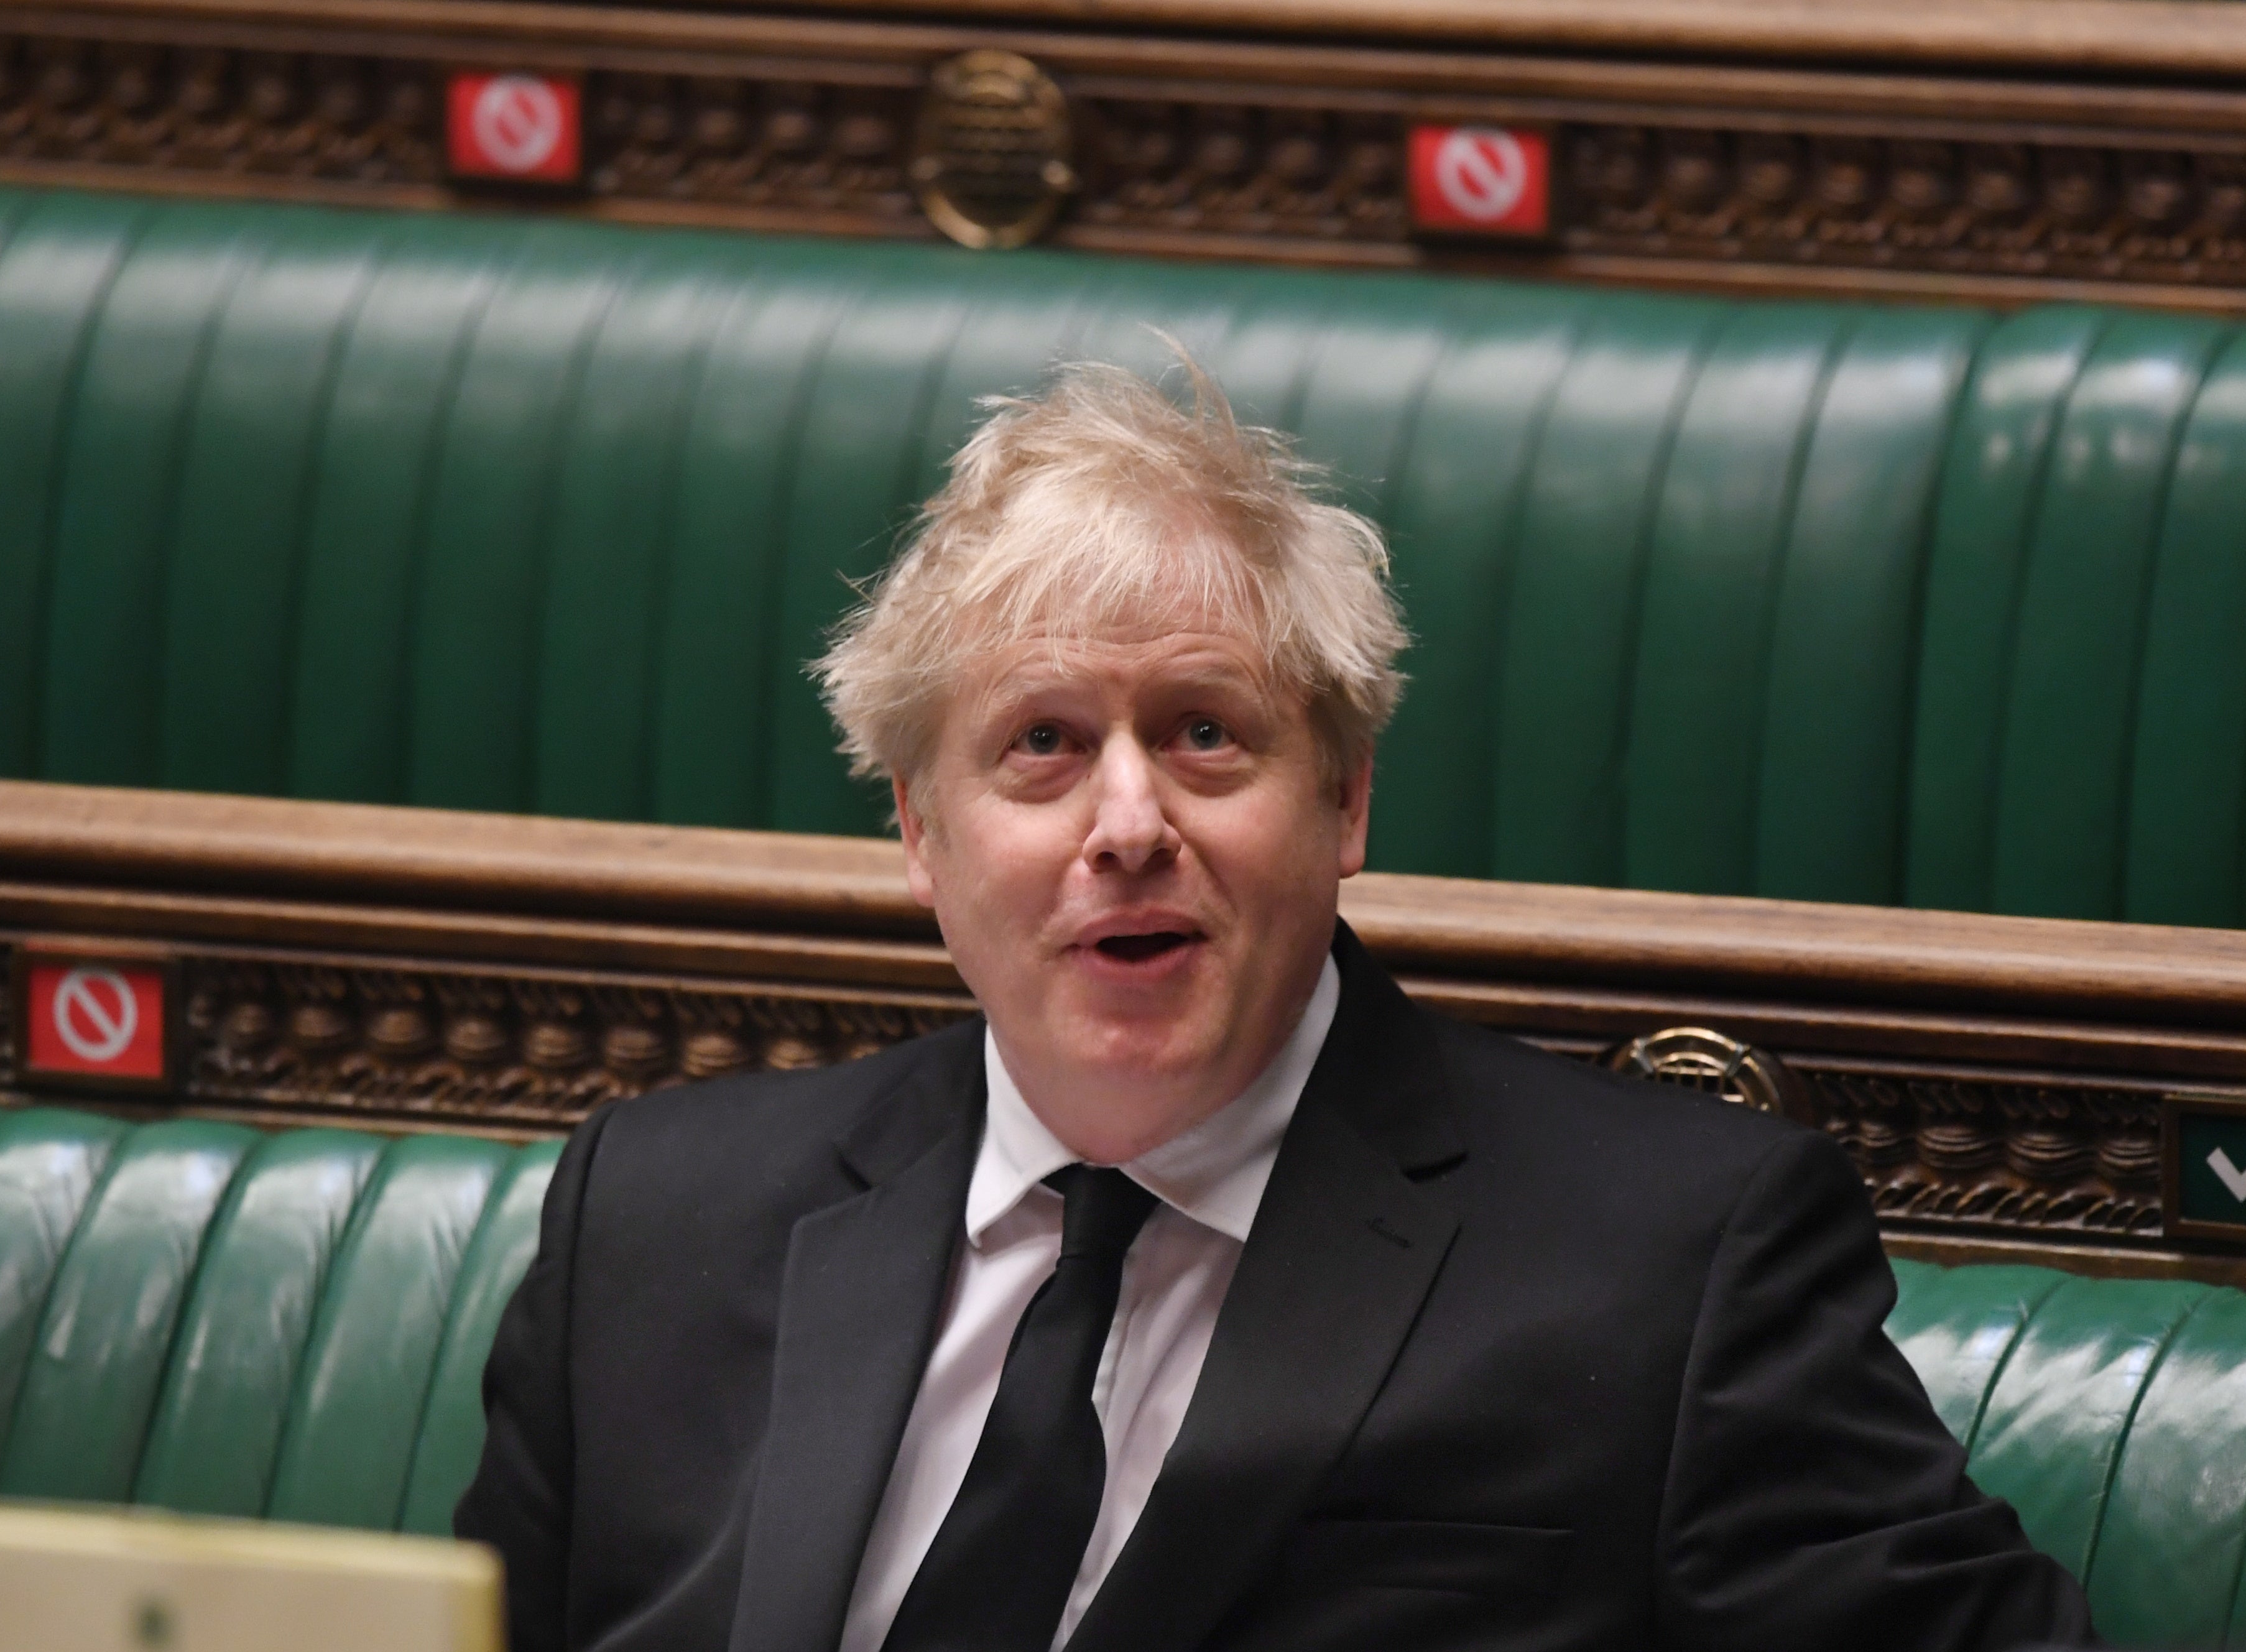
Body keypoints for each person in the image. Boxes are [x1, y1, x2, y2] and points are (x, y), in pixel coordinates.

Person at [455, 355, 2094, 1652]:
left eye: (1204, 733)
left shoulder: (1672, 1267)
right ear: (921, 834)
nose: (1127, 824)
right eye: (1041, 744)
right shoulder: (655, 1227)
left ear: (1346, 799)